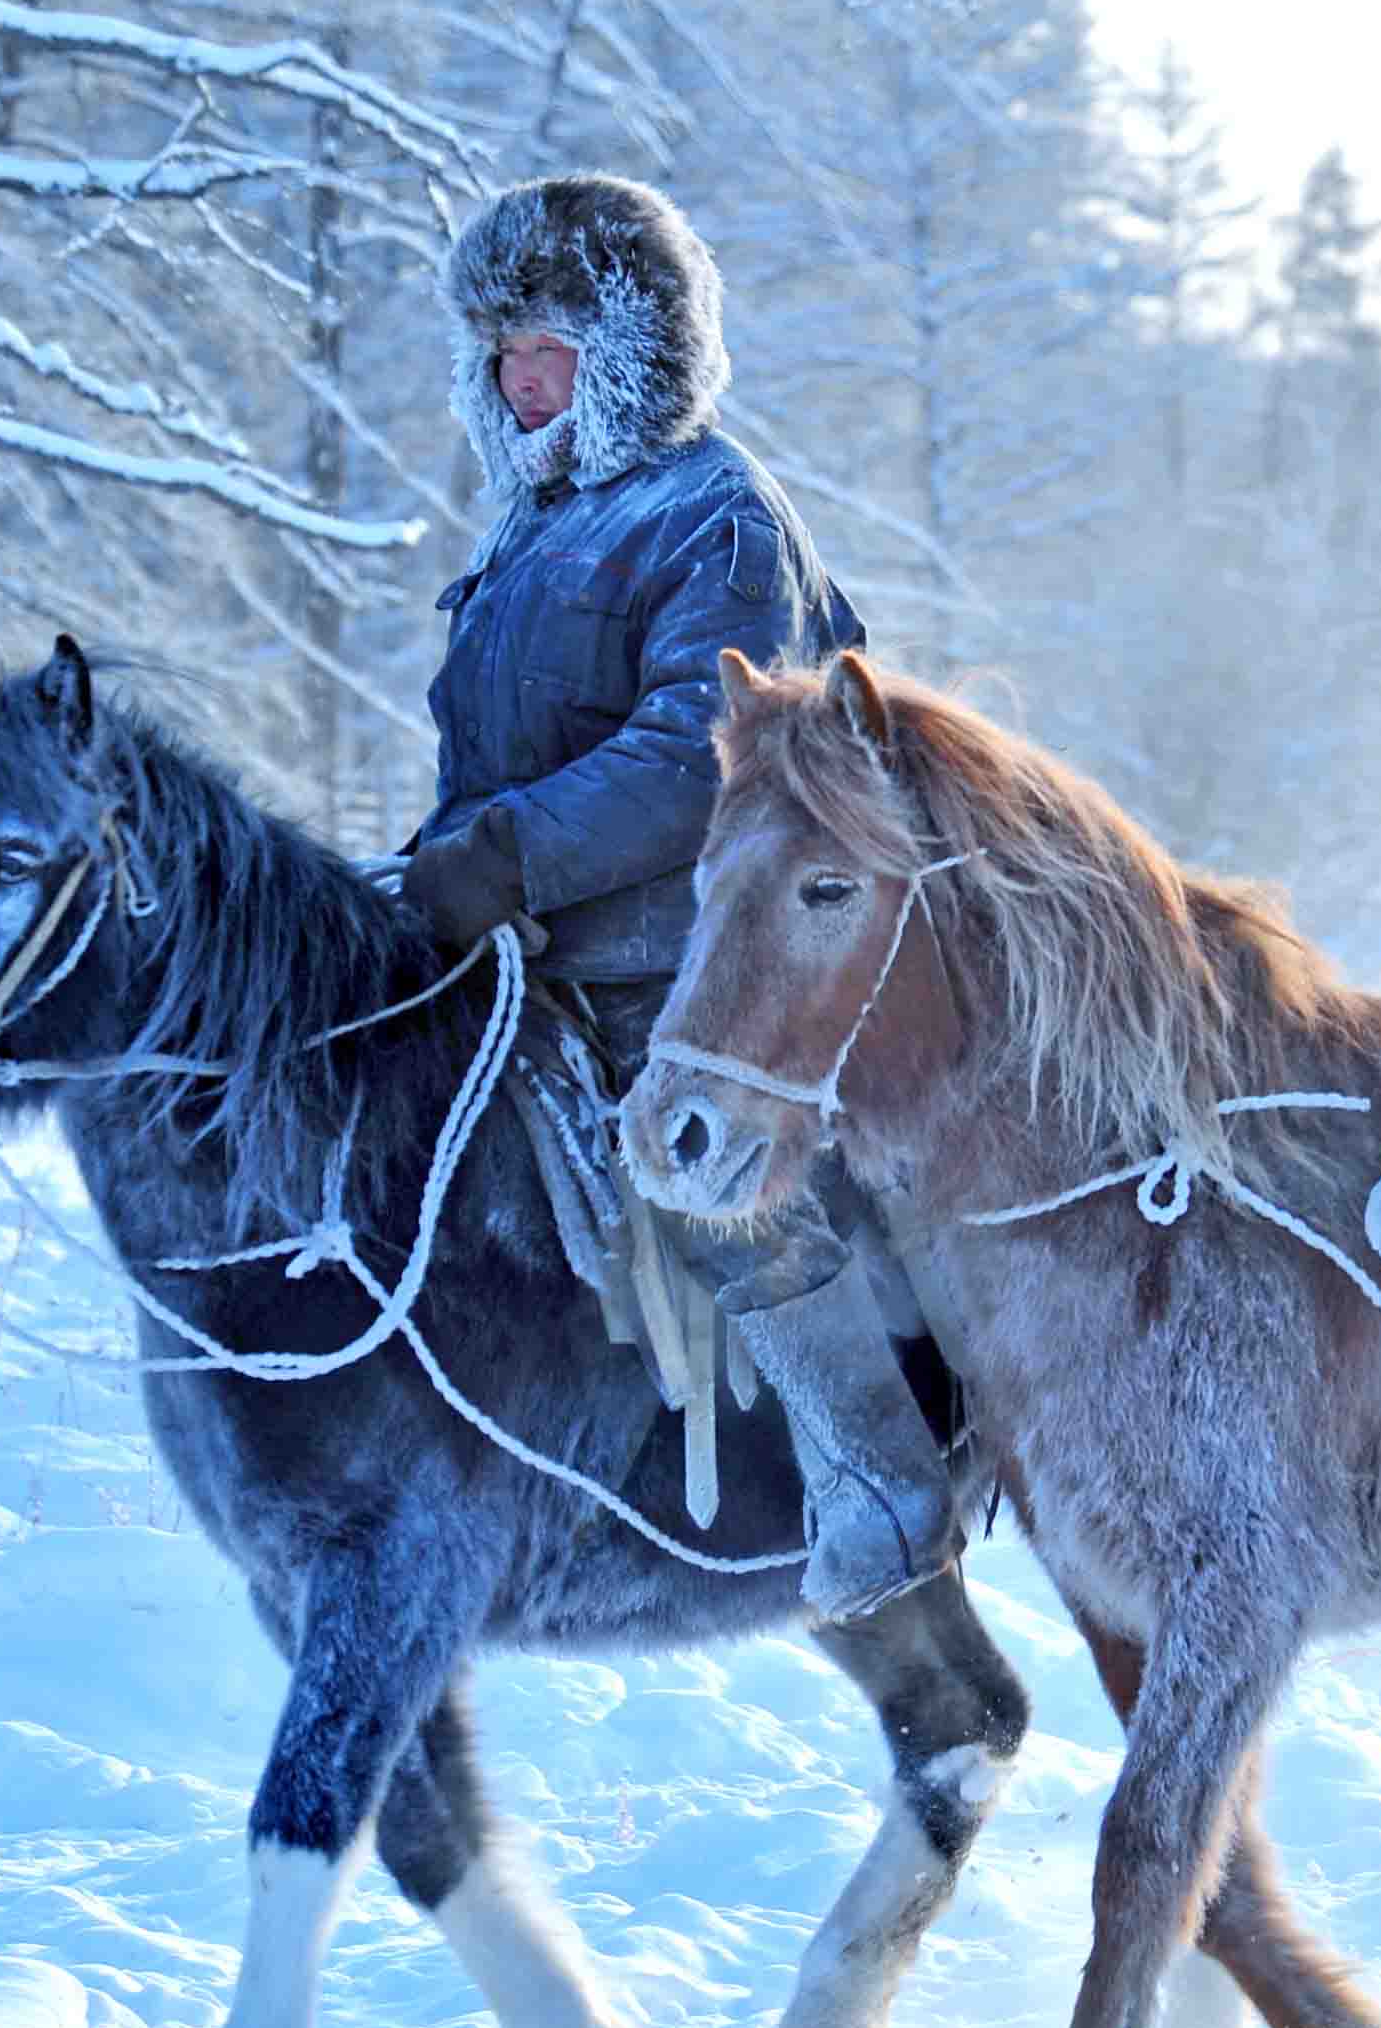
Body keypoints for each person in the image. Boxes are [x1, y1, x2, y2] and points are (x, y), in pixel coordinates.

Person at [404, 175, 964, 1622]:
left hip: (690, 949)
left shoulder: (714, 512)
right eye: (501, 358)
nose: (522, 384)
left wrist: (510, 855)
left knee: (713, 1171)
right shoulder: (526, 530)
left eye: (551, 351)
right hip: (527, 941)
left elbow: (689, 752)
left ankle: (880, 1482)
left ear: (632, 355)